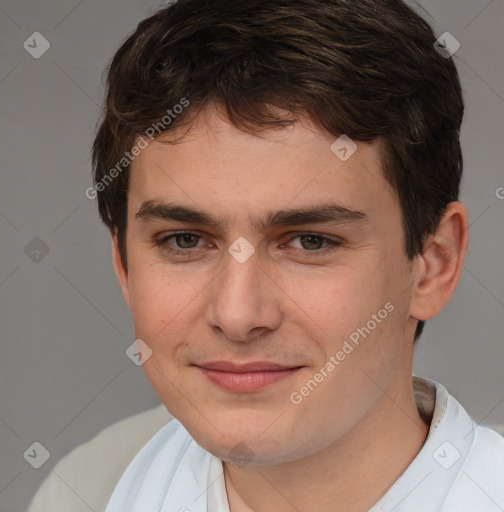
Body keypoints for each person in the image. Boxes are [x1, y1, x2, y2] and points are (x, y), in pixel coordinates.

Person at [28, 0, 504, 511]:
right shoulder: (87, 488)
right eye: (185, 240)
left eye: (309, 241)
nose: (237, 316)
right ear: (125, 266)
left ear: (433, 265)